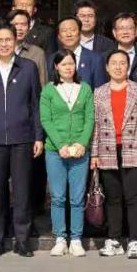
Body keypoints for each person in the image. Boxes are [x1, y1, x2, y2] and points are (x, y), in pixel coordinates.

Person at [0, 23, 43, 257]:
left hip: (22, 138)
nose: (4, 44)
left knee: (22, 191)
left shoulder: (28, 67)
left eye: (8, 40)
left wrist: (38, 136)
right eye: (0, 40)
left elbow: (35, 105)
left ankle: (22, 240)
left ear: (16, 41)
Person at [91, 49, 137, 259]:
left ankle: (135, 240)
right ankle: (115, 239)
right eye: (114, 63)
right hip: (107, 149)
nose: (118, 67)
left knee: (133, 196)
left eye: (122, 63)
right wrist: (94, 154)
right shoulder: (99, 92)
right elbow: (96, 125)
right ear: (107, 67)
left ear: (128, 66)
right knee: (113, 197)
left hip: (133, 149)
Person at [40, 50, 94, 258]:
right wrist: (60, 144)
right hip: (56, 151)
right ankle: (60, 238)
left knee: (77, 197)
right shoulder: (49, 90)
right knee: (58, 197)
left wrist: (82, 143)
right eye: (63, 64)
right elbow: (46, 120)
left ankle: (76, 239)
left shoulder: (85, 88)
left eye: (71, 63)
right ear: (56, 67)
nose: (68, 67)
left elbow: (89, 119)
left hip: (80, 151)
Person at [48, 16, 105, 89]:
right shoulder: (52, 59)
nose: (69, 34)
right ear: (59, 36)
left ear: (80, 33)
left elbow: (101, 91)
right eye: (64, 31)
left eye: (72, 30)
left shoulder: (95, 59)